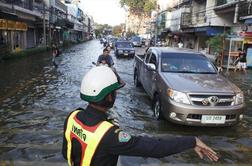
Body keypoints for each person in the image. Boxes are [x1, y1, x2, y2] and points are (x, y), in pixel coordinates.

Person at [62, 66, 219, 166]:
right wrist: (191, 141)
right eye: (114, 92)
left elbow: (66, 152)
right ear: (108, 96)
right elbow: (156, 148)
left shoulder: (72, 117)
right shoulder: (109, 135)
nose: (116, 94)